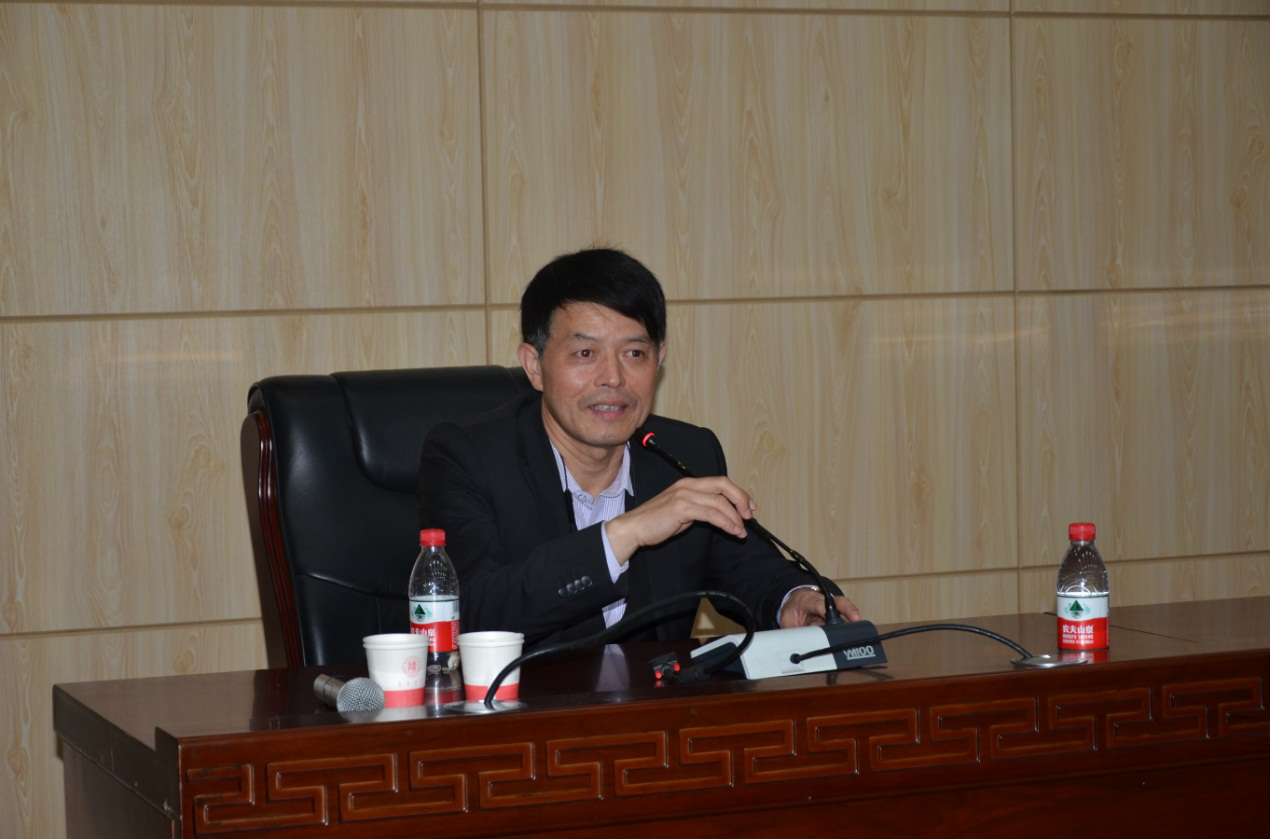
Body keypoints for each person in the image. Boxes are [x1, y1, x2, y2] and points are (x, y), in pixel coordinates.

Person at [418, 247, 859, 650]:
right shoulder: (469, 456)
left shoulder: (685, 453)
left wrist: (793, 599)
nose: (613, 377)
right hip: (522, 708)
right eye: (585, 353)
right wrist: (623, 534)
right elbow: (468, 610)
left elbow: (750, 570)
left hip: (657, 707)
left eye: (634, 353)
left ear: (659, 358)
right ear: (534, 366)